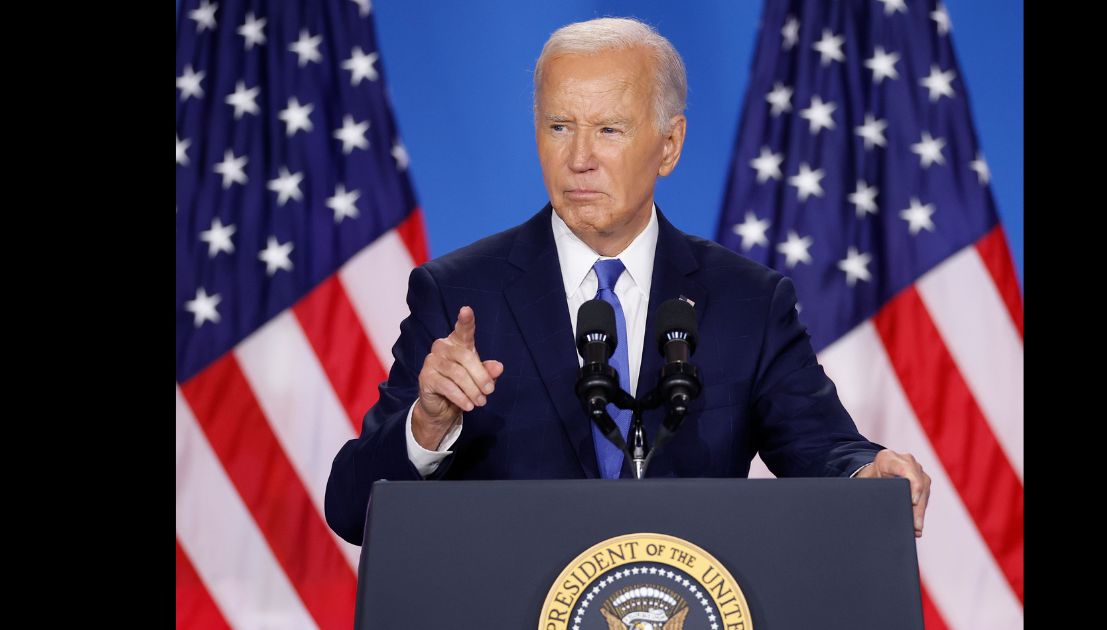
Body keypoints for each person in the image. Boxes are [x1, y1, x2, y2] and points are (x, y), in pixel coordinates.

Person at [325, 17, 930, 547]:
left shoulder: (747, 300)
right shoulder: (459, 294)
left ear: (669, 146)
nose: (579, 157)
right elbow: (352, 508)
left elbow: (822, 447)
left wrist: (868, 476)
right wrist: (428, 425)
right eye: (559, 126)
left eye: (609, 130)